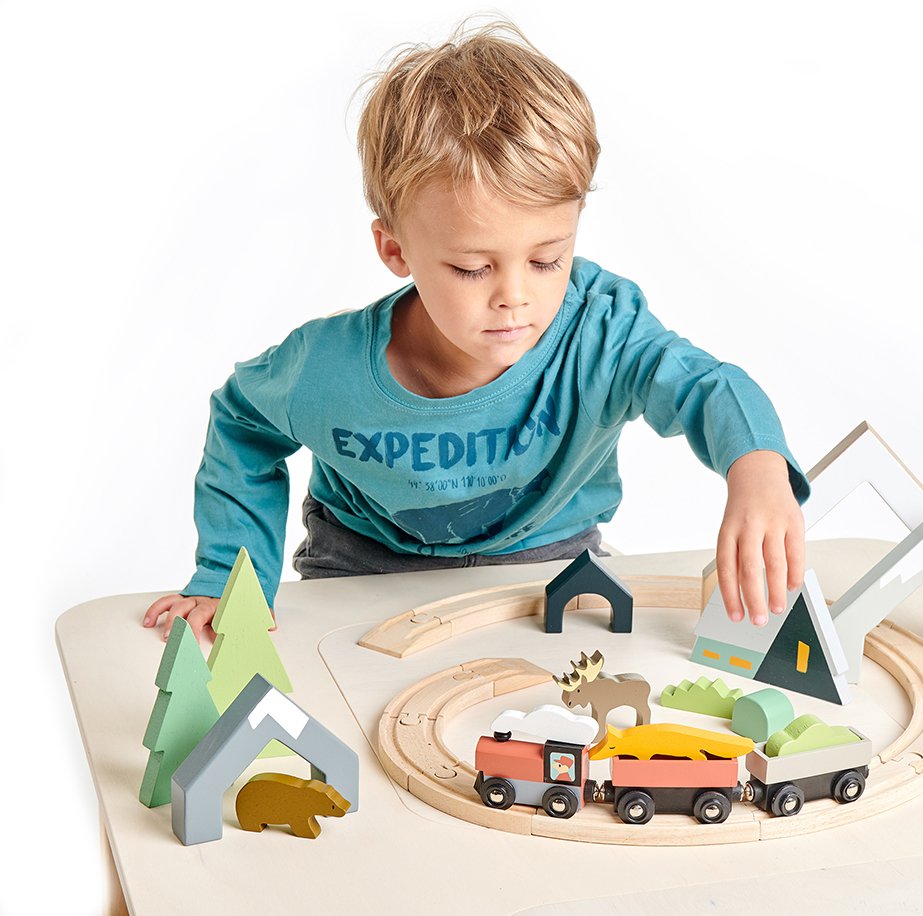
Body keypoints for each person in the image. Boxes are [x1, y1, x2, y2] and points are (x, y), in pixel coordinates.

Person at [143, 19, 810, 645]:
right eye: (470, 267)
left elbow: (702, 385)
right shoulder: (324, 370)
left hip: (550, 564)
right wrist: (227, 579)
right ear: (396, 251)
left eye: (548, 259)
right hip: (363, 571)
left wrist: (756, 469)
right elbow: (241, 424)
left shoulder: (599, 331)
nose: (515, 297)